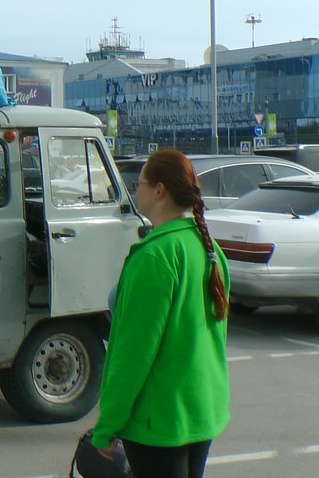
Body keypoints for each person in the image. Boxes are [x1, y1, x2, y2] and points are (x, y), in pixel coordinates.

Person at [92, 149, 230, 478]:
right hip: (201, 410)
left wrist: (107, 426)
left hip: (160, 420)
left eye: (139, 183)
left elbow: (132, 354)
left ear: (159, 190)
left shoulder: (155, 256)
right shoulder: (208, 248)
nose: (134, 189)